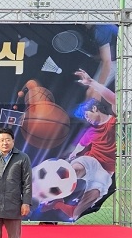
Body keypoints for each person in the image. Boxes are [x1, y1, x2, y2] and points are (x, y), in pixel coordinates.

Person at [44, 68, 116, 220]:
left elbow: (114, 100)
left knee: (75, 214)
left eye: (86, 114)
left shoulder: (114, 122)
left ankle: (56, 204)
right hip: (91, 161)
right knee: (75, 169)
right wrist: (71, 158)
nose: (86, 119)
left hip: (105, 172)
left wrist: (92, 83)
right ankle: (49, 192)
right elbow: (79, 148)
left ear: (95, 108)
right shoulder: (91, 131)